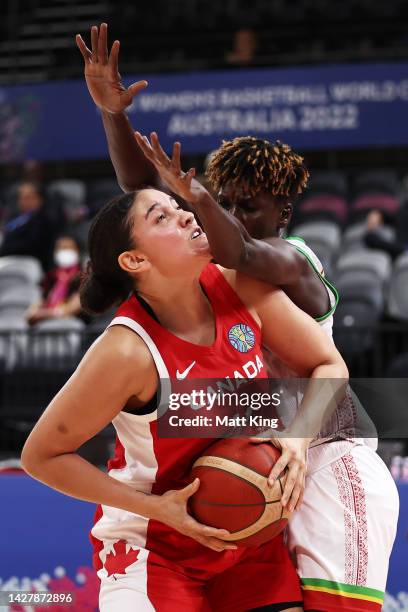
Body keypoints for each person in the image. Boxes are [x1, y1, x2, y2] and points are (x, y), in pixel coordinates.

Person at [76, 25, 399, 610]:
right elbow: (142, 204)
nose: (231, 217)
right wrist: (112, 117)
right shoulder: (209, 266)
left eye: (247, 207)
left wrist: (193, 202)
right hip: (262, 448)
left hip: (325, 449)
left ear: (285, 212)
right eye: (224, 203)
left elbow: (238, 250)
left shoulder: (289, 260)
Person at [22, 186, 349, 611]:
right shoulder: (125, 351)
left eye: (179, 207)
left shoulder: (238, 283)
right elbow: (41, 456)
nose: (185, 216)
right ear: (135, 260)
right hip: (155, 547)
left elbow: (330, 365)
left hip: (247, 536)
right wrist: (155, 507)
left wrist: (300, 437)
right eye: (161, 217)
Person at [25, 234, 83, 326]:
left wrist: (43, 314)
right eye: (60, 248)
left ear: (77, 251)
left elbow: (73, 307)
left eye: (68, 248)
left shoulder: (83, 276)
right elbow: (34, 309)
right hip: (47, 325)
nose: (64, 251)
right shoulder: (51, 277)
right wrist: (34, 313)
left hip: (72, 326)